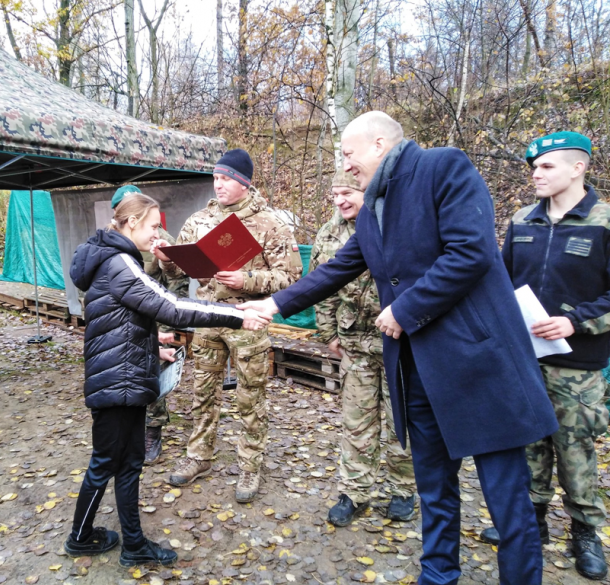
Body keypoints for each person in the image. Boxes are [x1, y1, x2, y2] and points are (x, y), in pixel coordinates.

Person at [239, 111, 559, 585]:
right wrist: (274, 303)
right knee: (434, 490)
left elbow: (470, 251)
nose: (346, 166)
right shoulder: (372, 209)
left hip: (478, 367)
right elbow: (338, 268)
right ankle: (438, 575)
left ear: (380, 143)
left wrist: (405, 310)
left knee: (506, 500)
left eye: (349, 154)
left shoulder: (443, 168)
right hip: (417, 372)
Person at [66, 192, 269, 566]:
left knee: (127, 464)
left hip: (122, 377)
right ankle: (80, 538)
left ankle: (133, 545)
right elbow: (172, 306)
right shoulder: (120, 262)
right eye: (154, 225)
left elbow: (118, 317)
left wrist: (148, 343)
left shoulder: (112, 259)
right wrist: (236, 315)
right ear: (131, 223)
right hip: (117, 383)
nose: (159, 233)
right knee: (107, 463)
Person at [477, 132, 608, 580]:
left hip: (579, 363)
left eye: (547, 166)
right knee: (529, 442)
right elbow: (502, 281)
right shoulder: (522, 220)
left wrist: (578, 321)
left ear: (579, 167)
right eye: (533, 166)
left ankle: (585, 530)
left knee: (575, 450)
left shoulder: (604, 221)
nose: (536, 173)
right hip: (526, 357)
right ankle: (531, 521)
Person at [153, 148, 303, 503]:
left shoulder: (270, 223)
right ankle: (199, 457)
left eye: (226, 179)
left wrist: (246, 279)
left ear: (243, 182)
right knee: (203, 393)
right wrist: (167, 259)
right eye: (216, 178)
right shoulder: (199, 220)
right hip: (206, 318)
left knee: (251, 397)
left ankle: (251, 465)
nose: (218, 185)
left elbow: (293, 278)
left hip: (248, 321)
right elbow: (181, 271)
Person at [311, 169, 416, 526]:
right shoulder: (328, 234)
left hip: (399, 342)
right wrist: (328, 334)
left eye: (347, 193)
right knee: (356, 422)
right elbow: (320, 287)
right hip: (354, 343)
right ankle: (354, 492)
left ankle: (403, 488)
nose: (339, 201)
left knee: (401, 418)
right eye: (334, 194)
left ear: (365, 192)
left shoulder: (394, 225)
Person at [110, 184, 190, 465]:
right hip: (120, 320)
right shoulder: (108, 239)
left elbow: (178, 281)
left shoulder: (161, 239)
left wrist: (167, 325)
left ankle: (152, 431)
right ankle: (126, 428)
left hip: (153, 317)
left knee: (152, 373)